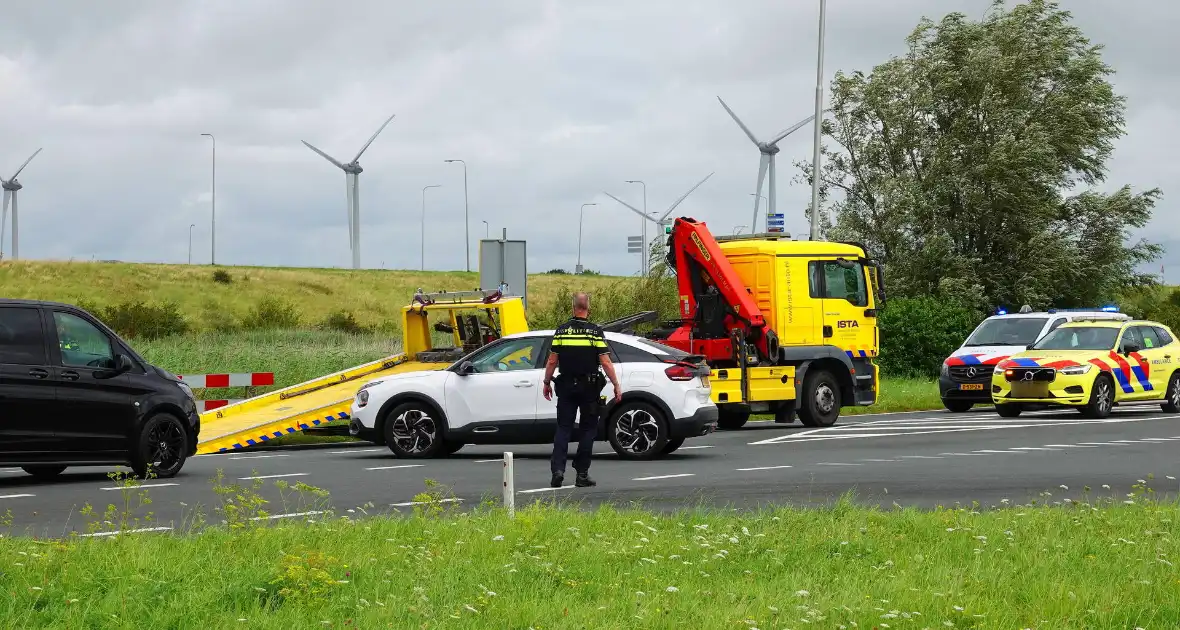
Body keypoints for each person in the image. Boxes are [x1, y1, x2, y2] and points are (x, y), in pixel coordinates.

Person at [542, 292, 622, 488]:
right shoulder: (595, 332)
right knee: (588, 429)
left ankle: (558, 470)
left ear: (573, 307)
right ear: (588, 308)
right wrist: (616, 384)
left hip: (566, 386)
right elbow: (605, 361)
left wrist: (546, 382)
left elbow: (552, 360)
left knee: (563, 428)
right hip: (589, 388)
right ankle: (582, 474)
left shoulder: (561, 332)